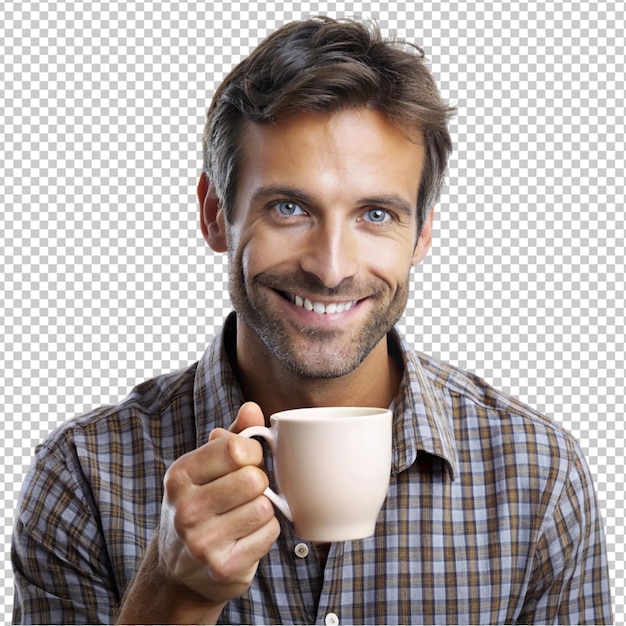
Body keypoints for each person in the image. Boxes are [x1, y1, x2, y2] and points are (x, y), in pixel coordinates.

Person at [11, 16, 612, 625]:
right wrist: (173, 596)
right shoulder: (84, 475)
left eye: (375, 214)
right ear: (216, 214)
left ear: (423, 233)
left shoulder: (537, 476)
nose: (330, 269)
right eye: (290, 207)